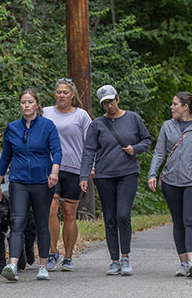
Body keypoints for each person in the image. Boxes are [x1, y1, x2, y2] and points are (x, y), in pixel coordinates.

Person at [79, 85, 151, 276]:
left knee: (123, 215)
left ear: (117, 99)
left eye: (111, 101)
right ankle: (114, 260)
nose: (109, 105)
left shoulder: (133, 118)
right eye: (105, 103)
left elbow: (147, 140)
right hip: (104, 175)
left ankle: (126, 257)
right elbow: (89, 151)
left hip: (127, 173)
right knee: (110, 218)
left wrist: (135, 149)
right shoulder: (97, 124)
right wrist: (84, 175)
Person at [147, 92, 192, 278]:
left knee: (190, 221)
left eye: (175, 104)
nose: (171, 107)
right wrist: (152, 174)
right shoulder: (166, 126)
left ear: (185, 106)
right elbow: (159, 153)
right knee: (178, 222)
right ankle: (184, 263)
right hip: (170, 182)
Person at [0, 89, 62, 282]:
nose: (26, 105)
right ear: (20, 105)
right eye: (23, 102)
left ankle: (43, 266)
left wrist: (54, 172)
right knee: (17, 222)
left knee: (42, 223)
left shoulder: (47, 126)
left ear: (37, 105)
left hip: (43, 181)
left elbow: (56, 151)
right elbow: (6, 156)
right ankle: (13, 265)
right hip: (19, 181)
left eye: (30, 102)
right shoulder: (12, 128)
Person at [43, 78, 92, 272]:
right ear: (54, 94)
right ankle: (52, 252)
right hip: (51, 169)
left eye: (65, 92)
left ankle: (69, 256)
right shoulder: (45, 113)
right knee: (50, 210)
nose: (61, 95)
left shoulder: (81, 116)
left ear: (72, 95)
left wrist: (90, 168)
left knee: (69, 213)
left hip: (74, 169)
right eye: (58, 92)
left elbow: (90, 143)